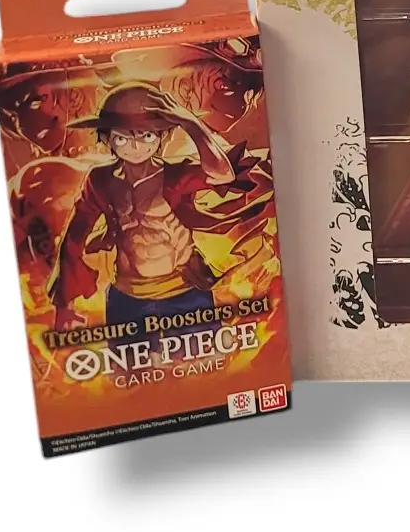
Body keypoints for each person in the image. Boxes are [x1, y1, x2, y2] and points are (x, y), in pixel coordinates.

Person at [49, 85, 265, 346]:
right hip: (127, 297)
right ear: (106, 139)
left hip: (185, 293)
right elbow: (74, 237)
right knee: (128, 368)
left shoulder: (175, 175)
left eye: (147, 136)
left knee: (206, 364)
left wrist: (191, 123)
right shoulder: (100, 180)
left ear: (162, 136)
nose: (136, 146)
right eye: (123, 138)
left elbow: (223, 175)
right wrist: (65, 305)